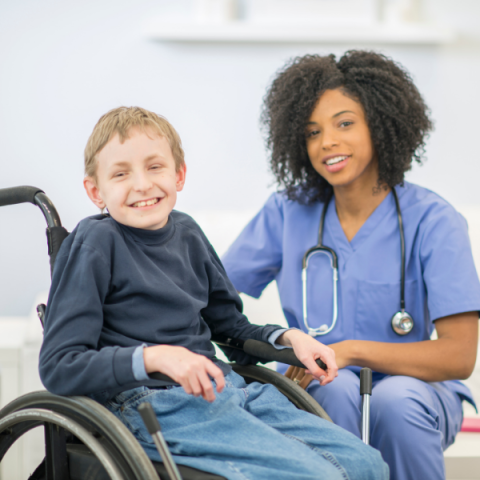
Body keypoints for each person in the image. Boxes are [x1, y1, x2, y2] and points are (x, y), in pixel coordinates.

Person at [38, 106, 388, 480]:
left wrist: (289, 338)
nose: (141, 184)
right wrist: (158, 358)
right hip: (151, 403)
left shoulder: (187, 233)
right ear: (96, 191)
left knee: (368, 465)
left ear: (179, 174)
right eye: (121, 174)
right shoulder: (95, 242)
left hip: (226, 390)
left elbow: (230, 330)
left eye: (155, 167)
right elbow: (60, 365)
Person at [222, 51, 480, 480]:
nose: (327, 143)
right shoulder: (287, 212)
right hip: (324, 380)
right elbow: (214, 295)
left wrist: (352, 350)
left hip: (418, 390)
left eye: (345, 123)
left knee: (397, 401)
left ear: (379, 123)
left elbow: (458, 354)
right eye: (312, 132)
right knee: (333, 384)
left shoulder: (434, 220)